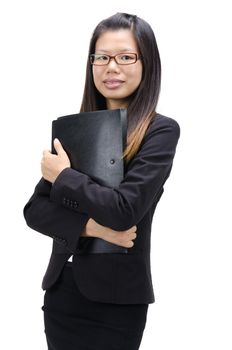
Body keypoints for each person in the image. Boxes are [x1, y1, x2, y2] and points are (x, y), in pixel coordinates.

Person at [23, 12, 180, 350]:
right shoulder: (75, 128)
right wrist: (91, 229)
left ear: (147, 63)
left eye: (125, 57)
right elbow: (35, 210)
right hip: (62, 291)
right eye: (102, 57)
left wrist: (64, 175)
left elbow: (124, 210)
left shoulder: (160, 131)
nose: (112, 67)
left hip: (117, 301)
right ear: (91, 63)